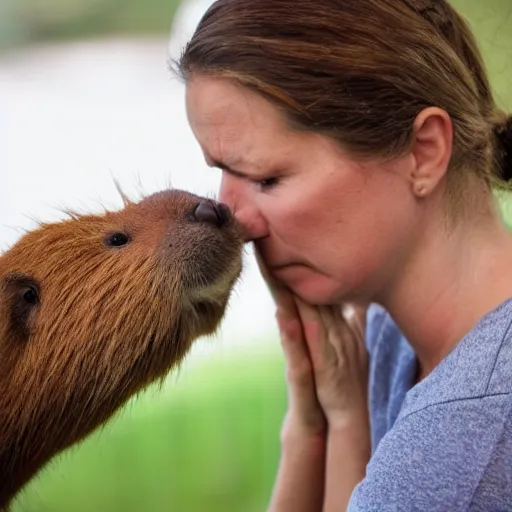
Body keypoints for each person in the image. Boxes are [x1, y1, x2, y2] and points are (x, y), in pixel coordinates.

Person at [173, 0, 512, 509]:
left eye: (266, 178)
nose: (236, 222)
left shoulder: (463, 439)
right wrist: (322, 427)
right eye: (223, 173)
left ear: (424, 152)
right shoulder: (391, 336)